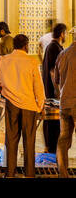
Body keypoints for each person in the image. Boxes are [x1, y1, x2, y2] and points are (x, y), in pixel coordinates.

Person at [0, 34, 45, 178]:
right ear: (26, 45)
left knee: (11, 140)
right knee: (29, 141)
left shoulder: (3, 60)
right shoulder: (31, 62)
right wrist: (40, 104)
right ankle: (29, 174)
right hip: (29, 106)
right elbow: (38, 87)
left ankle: (9, 173)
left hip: (11, 105)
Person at [54, 26, 76, 178]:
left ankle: (63, 174)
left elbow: (56, 81)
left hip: (64, 102)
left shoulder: (62, 54)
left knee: (63, 140)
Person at [42, 23, 66, 153]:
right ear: (62, 34)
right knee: (53, 122)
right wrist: (58, 91)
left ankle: (50, 148)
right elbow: (53, 72)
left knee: (51, 120)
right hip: (53, 92)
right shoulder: (55, 48)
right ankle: (51, 149)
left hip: (50, 90)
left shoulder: (52, 47)